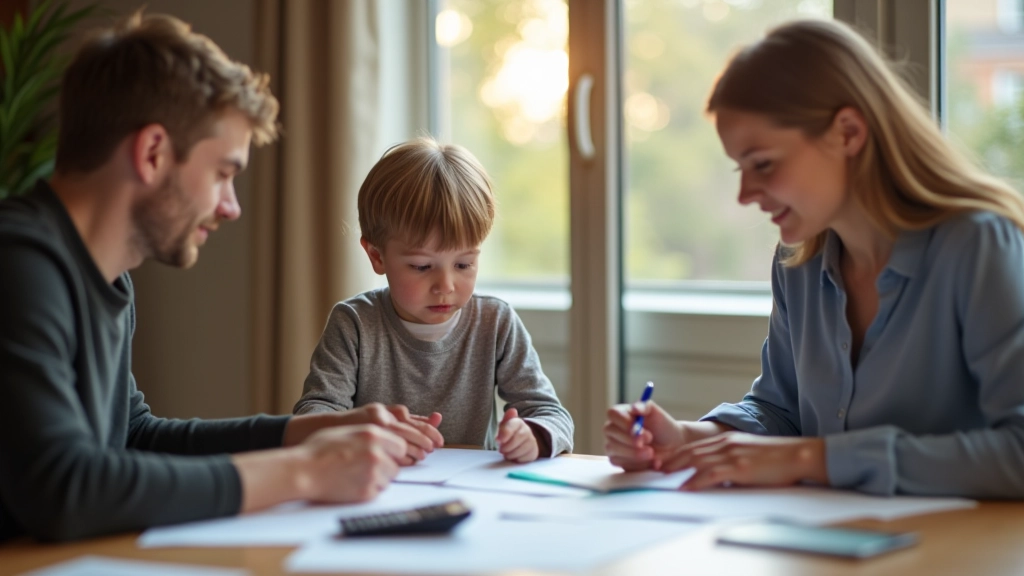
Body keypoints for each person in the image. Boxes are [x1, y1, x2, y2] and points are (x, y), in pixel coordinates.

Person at [0, 12, 442, 543]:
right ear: (153, 153)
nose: (231, 207)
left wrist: (310, 432)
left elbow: (133, 437)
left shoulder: (103, 277)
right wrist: (305, 471)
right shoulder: (19, 262)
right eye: (223, 173)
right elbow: (62, 488)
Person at [604, 18, 1024, 498]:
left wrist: (813, 458)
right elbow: (780, 412)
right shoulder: (798, 264)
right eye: (739, 168)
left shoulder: (978, 246)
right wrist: (686, 440)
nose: (744, 194)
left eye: (762, 164)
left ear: (847, 133)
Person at [293, 138, 574, 462]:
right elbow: (312, 416)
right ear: (376, 255)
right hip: (377, 485)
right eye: (422, 267)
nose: (446, 285)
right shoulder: (354, 324)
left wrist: (533, 435)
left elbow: (552, 413)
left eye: (464, 264)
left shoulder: (495, 322)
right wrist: (361, 432)